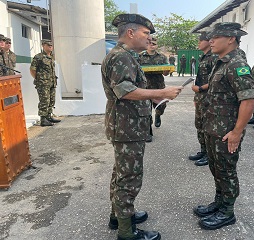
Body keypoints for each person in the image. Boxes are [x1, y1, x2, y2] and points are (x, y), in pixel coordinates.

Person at [101, 13, 183, 240]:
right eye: (145, 33)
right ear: (130, 33)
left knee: (121, 174)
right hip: (128, 127)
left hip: (127, 125)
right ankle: (127, 233)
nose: (149, 39)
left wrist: (155, 99)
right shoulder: (122, 57)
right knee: (129, 178)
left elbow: (131, 88)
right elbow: (125, 90)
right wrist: (161, 92)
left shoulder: (125, 55)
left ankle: (118, 217)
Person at [193, 22, 254, 230]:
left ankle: (227, 212)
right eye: (210, 37)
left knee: (226, 170)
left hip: (227, 131)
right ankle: (219, 203)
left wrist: (237, 132)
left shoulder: (237, 65)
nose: (210, 40)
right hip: (213, 128)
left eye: (216, 36)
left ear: (231, 39)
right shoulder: (221, 63)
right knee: (216, 168)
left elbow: (249, 101)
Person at [188, 31, 217, 167]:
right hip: (201, 97)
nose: (198, 43)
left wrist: (200, 89)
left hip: (209, 97)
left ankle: (209, 155)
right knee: (199, 125)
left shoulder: (214, 57)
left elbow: (216, 80)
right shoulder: (204, 57)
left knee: (207, 127)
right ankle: (203, 150)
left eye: (201, 40)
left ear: (208, 41)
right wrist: (197, 96)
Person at [138, 36, 169, 142]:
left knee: (161, 105)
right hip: (145, 86)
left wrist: (166, 71)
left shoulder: (162, 57)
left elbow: (166, 72)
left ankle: (158, 115)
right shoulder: (140, 57)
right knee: (146, 110)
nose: (152, 45)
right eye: (150, 43)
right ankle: (148, 132)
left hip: (158, 86)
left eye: (154, 43)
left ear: (157, 46)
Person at [30, 39, 61, 127]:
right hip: (43, 84)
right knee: (44, 101)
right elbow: (32, 69)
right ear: (43, 46)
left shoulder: (51, 57)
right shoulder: (38, 57)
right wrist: (39, 79)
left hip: (51, 82)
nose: (50, 46)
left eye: (51, 45)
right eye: (48, 45)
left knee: (51, 100)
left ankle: (48, 116)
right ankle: (43, 120)